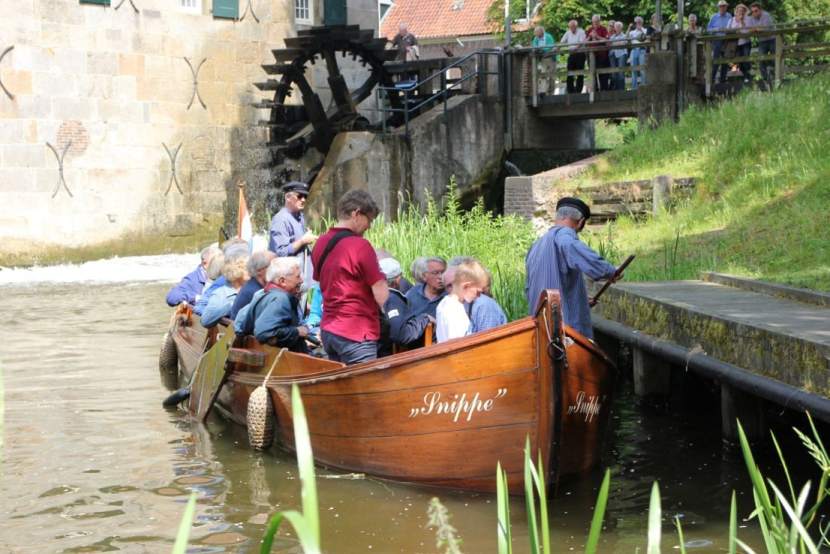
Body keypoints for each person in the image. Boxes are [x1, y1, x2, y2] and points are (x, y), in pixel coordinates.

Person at [311, 190, 388, 364]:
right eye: (370, 219)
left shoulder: (320, 243)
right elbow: (381, 293)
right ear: (356, 214)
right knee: (364, 388)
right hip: (356, 333)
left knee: (342, 389)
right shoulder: (360, 246)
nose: (369, 226)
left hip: (329, 330)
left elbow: (320, 281)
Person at [524, 197, 619, 339]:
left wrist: (579, 300)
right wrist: (608, 271)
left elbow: (531, 289)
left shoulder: (535, 246)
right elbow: (569, 245)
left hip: (540, 331)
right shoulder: (564, 235)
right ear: (580, 222)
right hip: (562, 334)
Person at [235, 257, 309, 352]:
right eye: (298, 276)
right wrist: (297, 331)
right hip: (286, 363)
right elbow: (265, 332)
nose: (301, 281)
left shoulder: (263, 293)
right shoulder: (280, 299)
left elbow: (240, 324)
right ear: (282, 281)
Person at [377, 257, 432, 356]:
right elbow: (401, 335)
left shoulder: (373, 295)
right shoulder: (392, 299)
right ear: (398, 279)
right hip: (388, 358)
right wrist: (424, 319)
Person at [269, 181, 316, 275]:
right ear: (288, 197)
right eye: (299, 196)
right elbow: (280, 253)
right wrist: (303, 241)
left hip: (300, 278)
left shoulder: (300, 217)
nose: (303, 200)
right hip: (288, 279)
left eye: (305, 197)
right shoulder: (281, 220)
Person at [436, 260, 487, 342]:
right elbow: (457, 346)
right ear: (466, 286)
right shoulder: (453, 309)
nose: (479, 296)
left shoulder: (446, 303)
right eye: (478, 292)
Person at [201, 256, 250, 328]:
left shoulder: (248, 291)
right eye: (248, 270)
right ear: (238, 274)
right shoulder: (220, 294)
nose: (253, 273)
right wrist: (233, 305)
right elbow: (205, 320)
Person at [229, 250, 276, 319]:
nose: (277, 269)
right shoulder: (255, 292)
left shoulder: (254, 285)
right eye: (273, 266)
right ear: (259, 270)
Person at [747, 2, 775, 82]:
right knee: (761, 59)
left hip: (772, 39)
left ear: (760, 10)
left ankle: (775, 75)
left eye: (756, 11)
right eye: (752, 11)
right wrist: (757, 29)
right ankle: (765, 79)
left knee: (775, 58)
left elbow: (765, 28)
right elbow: (750, 29)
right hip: (762, 40)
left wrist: (756, 29)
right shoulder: (751, 18)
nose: (754, 13)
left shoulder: (766, 15)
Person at [708, 0, 733, 84]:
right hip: (717, 40)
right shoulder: (714, 17)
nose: (722, 7)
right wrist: (717, 29)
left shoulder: (729, 16)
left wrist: (728, 30)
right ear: (718, 7)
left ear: (726, 7)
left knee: (725, 60)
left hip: (726, 40)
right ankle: (712, 79)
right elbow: (708, 29)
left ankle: (722, 80)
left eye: (724, 6)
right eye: (721, 6)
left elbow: (732, 27)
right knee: (716, 60)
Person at [561, 20, 587, 94]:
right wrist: (557, 49)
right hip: (572, 54)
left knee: (580, 72)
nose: (572, 28)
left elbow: (581, 43)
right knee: (569, 72)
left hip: (580, 54)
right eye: (570, 27)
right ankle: (570, 90)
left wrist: (575, 49)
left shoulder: (581, 31)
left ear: (576, 26)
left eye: (573, 27)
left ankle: (579, 90)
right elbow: (562, 42)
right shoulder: (568, 32)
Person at [728, 4, 752, 81]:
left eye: (742, 11)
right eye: (739, 11)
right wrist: (736, 30)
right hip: (735, 44)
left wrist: (741, 21)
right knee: (737, 61)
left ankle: (747, 76)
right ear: (736, 11)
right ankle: (741, 78)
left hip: (745, 43)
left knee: (746, 59)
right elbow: (728, 30)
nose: (740, 12)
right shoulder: (731, 20)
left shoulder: (748, 19)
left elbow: (747, 31)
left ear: (745, 12)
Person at [586, 15, 611, 91]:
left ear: (599, 21)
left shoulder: (603, 29)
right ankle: (594, 90)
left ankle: (604, 91)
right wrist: (590, 37)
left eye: (597, 21)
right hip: (591, 55)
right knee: (592, 74)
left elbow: (607, 41)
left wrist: (597, 36)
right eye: (594, 22)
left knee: (603, 74)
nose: (595, 23)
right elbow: (584, 42)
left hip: (602, 55)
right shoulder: (589, 29)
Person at [532, 26, 557, 95]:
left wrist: (542, 50)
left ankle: (551, 93)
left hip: (550, 58)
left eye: (537, 33)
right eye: (535, 34)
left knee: (552, 76)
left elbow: (550, 46)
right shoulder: (536, 38)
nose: (536, 35)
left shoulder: (548, 37)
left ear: (541, 32)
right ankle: (543, 91)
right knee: (543, 74)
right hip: (543, 59)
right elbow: (534, 46)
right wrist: (538, 50)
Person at [628, 17, 648, 89]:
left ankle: (644, 87)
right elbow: (627, 38)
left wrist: (641, 30)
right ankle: (634, 88)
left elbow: (647, 38)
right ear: (635, 23)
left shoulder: (645, 30)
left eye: (640, 22)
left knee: (643, 70)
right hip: (634, 50)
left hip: (642, 50)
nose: (638, 23)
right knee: (634, 70)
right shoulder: (632, 32)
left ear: (642, 23)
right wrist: (629, 28)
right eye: (637, 22)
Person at [609, 21, 629, 91]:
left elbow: (624, 43)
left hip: (622, 54)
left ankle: (621, 90)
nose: (617, 28)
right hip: (613, 55)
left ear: (621, 28)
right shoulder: (612, 36)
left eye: (619, 27)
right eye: (616, 27)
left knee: (621, 72)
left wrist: (615, 44)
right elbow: (610, 45)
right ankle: (615, 90)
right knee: (614, 73)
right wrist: (618, 43)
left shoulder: (624, 36)